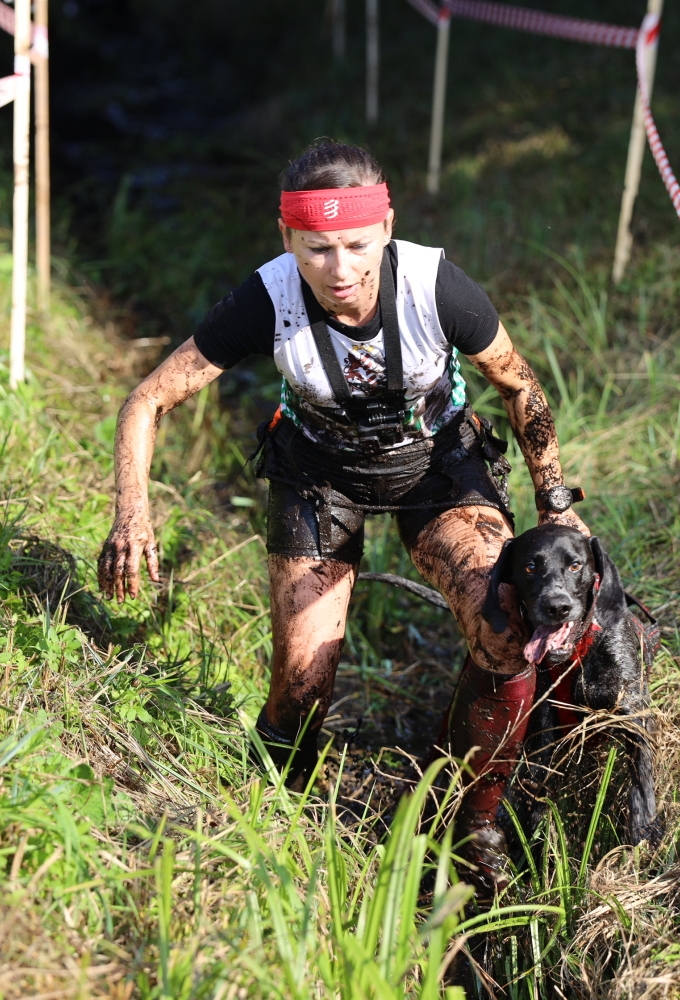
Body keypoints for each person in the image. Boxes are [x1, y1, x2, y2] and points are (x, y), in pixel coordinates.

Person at [97, 138, 587, 896]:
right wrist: (133, 515)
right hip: (318, 474)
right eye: (317, 248)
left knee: (504, 622)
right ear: (287, 239)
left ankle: (472, 822)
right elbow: (147, 399)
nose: (341, 269)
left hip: (435, 466)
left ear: (386, 228)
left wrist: (556, 501)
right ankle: (269, 826)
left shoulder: (436, 287)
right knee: (302, 688)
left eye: (357, 244)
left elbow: (520, 387)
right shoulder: (267, 298)